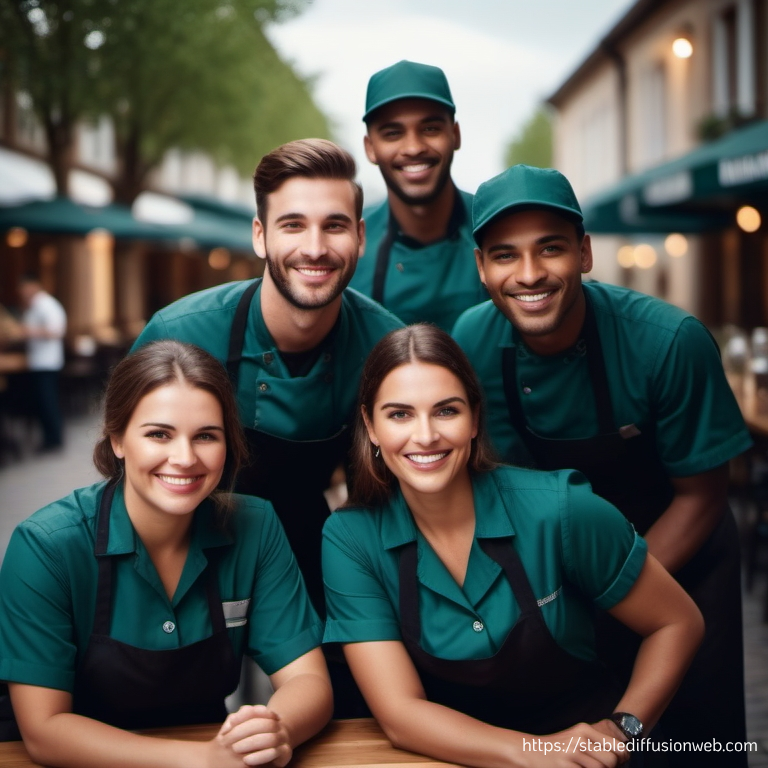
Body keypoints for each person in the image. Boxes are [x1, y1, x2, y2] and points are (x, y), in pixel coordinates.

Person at [452, 164, 752, 765]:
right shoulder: (472, 340)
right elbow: (497, 485)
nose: (530, 274)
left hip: (681, 568)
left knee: (692, 746)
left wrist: (616, 591)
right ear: (482, 266)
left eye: (552, 249)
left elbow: (703, 495)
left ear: (585, 254)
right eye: (506, 255)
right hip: (563, 577)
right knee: (581, 745)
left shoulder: (670, 342)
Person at [322, 324, 703, 768]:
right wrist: (536, 752)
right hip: (454, 757)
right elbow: (401, 714)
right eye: (400, 414)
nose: (425, 436)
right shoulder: (350, 539)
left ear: (475, 419)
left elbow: (677, 623)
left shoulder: (562, 510)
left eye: (446, 411)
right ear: (370, 425)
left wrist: (623, 729)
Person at [0, 340, 332, 766]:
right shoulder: (46, 546)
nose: (184, 458)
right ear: (117, 438)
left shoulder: (256, 526)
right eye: (159, 434)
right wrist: (202, 761)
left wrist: (272, 730)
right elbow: (45, 731)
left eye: (206, 436)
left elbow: (308, 679)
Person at [133, 139, 403, 616]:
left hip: (317, 542)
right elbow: (128, 479)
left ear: (361, 236)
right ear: (259, 236)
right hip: (182, 540)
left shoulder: (387, 348)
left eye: (334, 226)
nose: (315, 248)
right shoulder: (179, 334)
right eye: (293, 225)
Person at [349, 60, 486, 331]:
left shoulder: (496, 227)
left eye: (430, 129)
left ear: (455, 135)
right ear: (370, 148)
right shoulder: (349, 247)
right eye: (392, 133)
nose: (413, 147)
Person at [17, 273, 67, 452]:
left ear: (33, 285)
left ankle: (54, 439)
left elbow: (56, 330)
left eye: (24, 287)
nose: (22, 292)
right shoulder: (34, 306)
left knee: (48, 402)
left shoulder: (45, 304)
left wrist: (28, 331)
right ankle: (50, 438)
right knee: (43, 402)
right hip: (39, 361)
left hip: (47, 361)